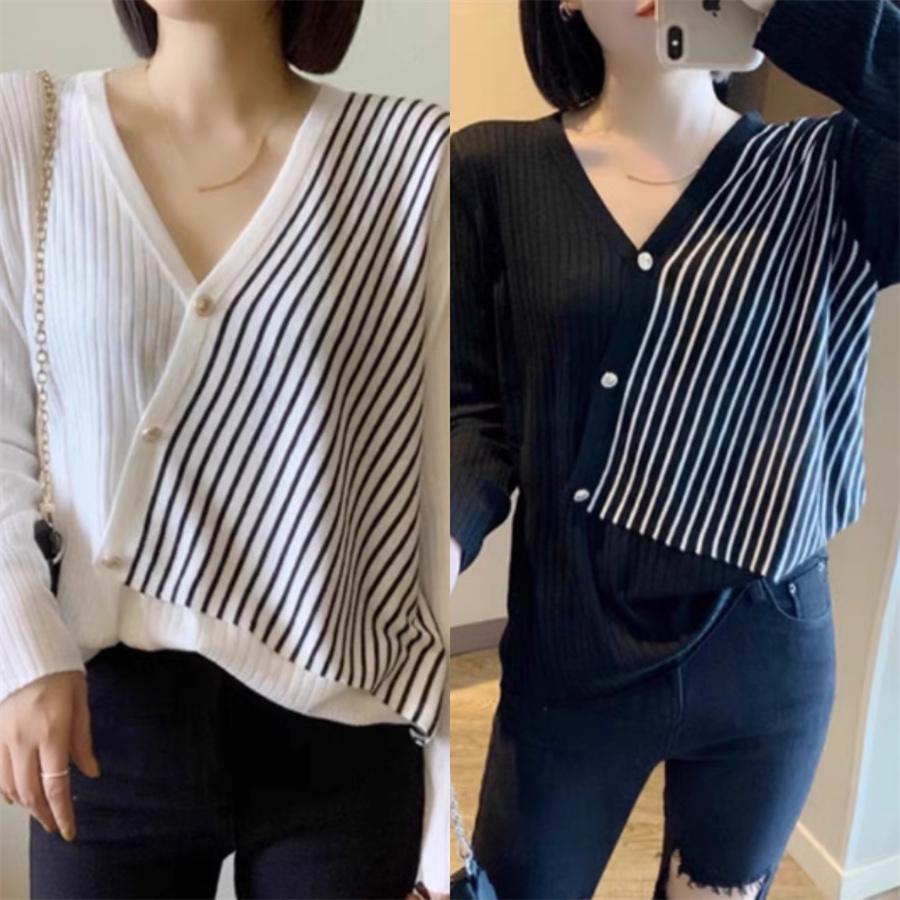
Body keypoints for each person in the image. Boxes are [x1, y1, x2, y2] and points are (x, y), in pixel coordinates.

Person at [0, 1, 450, 898]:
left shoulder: (411, 160)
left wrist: (445, 809)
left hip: (343, 731)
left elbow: (433, 480)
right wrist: (21, 644)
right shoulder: (33, 132)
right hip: (102, 725)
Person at [449, 0, 898, 898]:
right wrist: (442, 539)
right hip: (568, 654)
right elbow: (474, 405)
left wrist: (787, 8)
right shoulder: (490, 168)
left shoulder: (833, 171)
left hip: (765, 658)